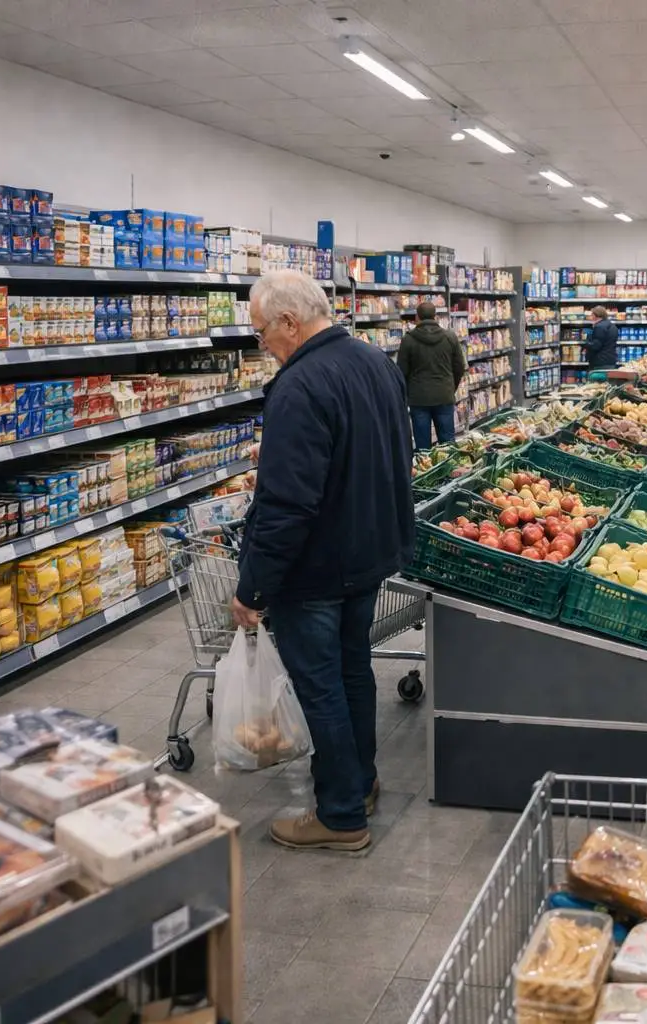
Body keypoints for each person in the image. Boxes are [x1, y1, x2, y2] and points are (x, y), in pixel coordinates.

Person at [231, 269, 414, 851]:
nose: (262, 345)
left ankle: (339, 816)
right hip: (367, 553)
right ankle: (361, 783)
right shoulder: (375, 362)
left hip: (316, 568)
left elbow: (287, 503)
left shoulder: (299, 385)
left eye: (261, 332)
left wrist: (254, 588)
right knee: (353, 671)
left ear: (289, 321)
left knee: (321, 687)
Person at [397, 301, 467, 449]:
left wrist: (408, 393)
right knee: (447, 442)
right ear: (435, 317)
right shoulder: (450, 337)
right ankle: (448, 470)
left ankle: (426, 471)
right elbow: (459, 367)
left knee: (422, 446)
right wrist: (450, 386)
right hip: (444, 395)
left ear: (417, 317)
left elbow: (401, 371)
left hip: (419, 398)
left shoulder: (408, 340)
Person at [583, 305, 619, 370]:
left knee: (597, 380)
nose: (591, 317)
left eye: (592, 315)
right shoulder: (613, 326)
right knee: (608, 379)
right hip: (611, 361)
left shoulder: (599, 327)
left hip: (600, 362)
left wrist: (585, 343)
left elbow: (596, 346)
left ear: (595, 315)